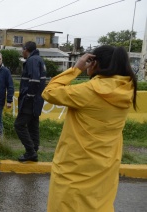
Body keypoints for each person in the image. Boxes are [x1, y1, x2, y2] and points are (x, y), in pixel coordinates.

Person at [42, 45, 137, 211]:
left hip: (74, 169)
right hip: (105, 170)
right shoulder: (127, 89)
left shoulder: (88, 91)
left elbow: (49, 92)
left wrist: (76, 68)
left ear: (93, 63)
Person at [14, 41, 46, 162]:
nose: (22, 52)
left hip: (30, 100)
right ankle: (34, 150)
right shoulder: (39, 59)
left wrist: (29, 96)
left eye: (22, 49)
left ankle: (30, 152)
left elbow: (34, 80)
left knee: (19, 125)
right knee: (33, 125)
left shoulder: (32, 60)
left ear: (26, 49)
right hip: (37, 100)